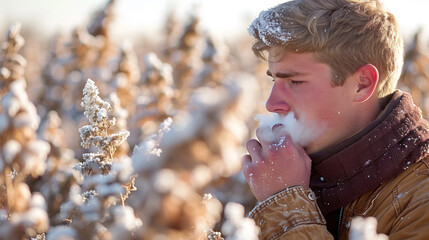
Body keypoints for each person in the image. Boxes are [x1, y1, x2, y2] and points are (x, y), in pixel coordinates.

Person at [241, 0, 429, 239]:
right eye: (273, 81)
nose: (271, 103)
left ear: (362, 84)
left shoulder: (421, 201)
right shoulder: (285, 170)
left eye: (295, 81)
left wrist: (287, 202)